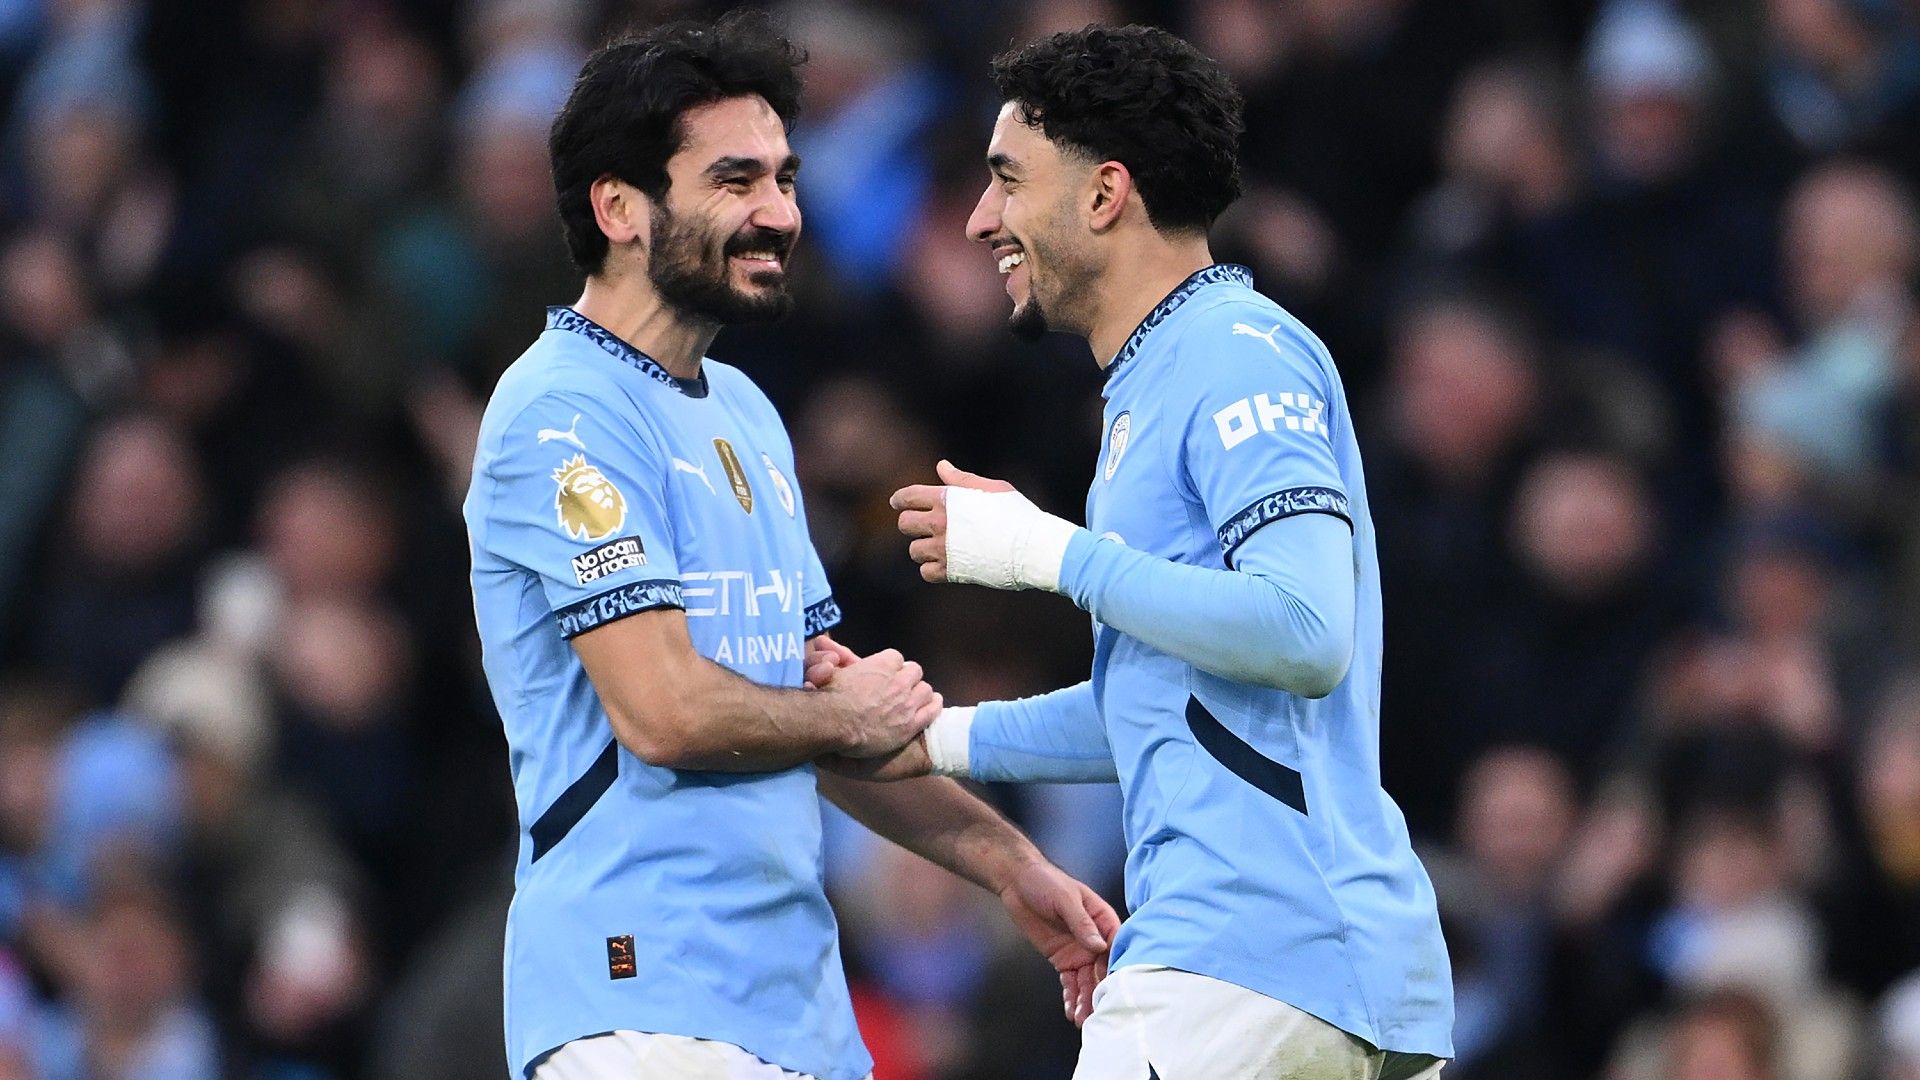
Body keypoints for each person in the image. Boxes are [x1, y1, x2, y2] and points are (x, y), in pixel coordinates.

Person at [463, 14, 1117, 1080]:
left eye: (784, 178)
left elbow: (807, 718)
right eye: (735, 180)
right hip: (638, 1003)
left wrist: (1008, 865)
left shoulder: (748, 415)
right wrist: (846, 713)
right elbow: (666, 712)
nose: (779, 212)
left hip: (795, 1015)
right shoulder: (560, 411)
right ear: (618, 207)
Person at [828, 24, 1453, 1079]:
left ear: (1105, 194)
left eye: (1007, 180)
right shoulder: (1158, 379)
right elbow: (1175, 704)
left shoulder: (1233, 352)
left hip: (1242, 958)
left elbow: (1307, 633)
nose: (980, 219)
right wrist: (934, 741)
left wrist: (1051, 553)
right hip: (1325, 972)